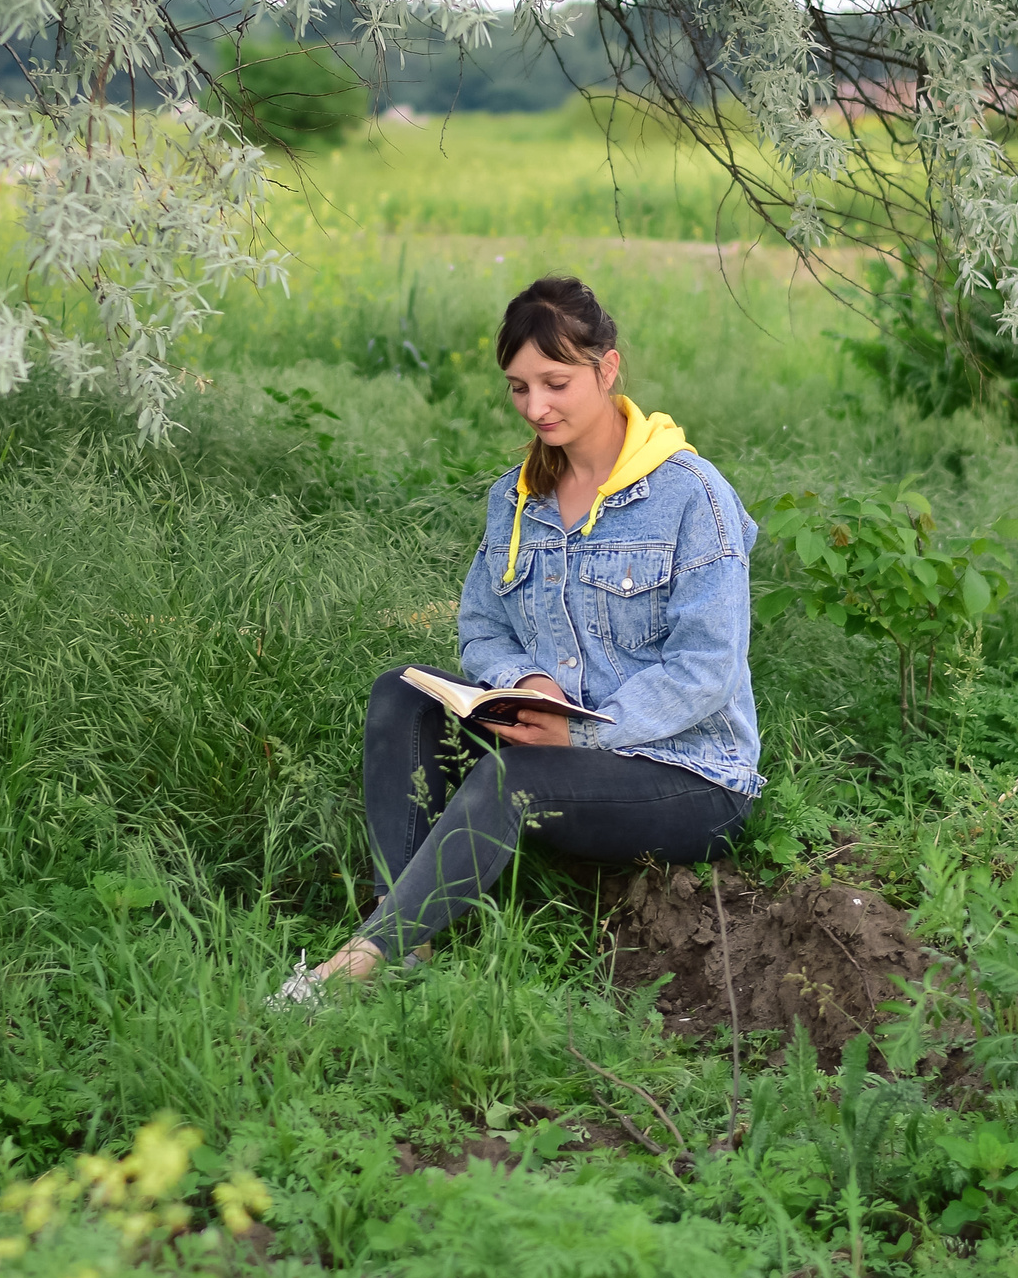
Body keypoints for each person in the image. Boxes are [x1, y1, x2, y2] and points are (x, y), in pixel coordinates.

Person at [281, 276, 761, 999]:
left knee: (513, 777)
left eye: (555, 383)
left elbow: (708, 669)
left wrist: (582, 734)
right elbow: (482, 626)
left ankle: (358, 965)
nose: (536, 407)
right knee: (401, 692)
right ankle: (406, 937)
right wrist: (527, 683)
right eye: (518, 387)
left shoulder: (692, 495)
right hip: (556, 742)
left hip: (688, 773)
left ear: (606, 368)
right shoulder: (516, 497)